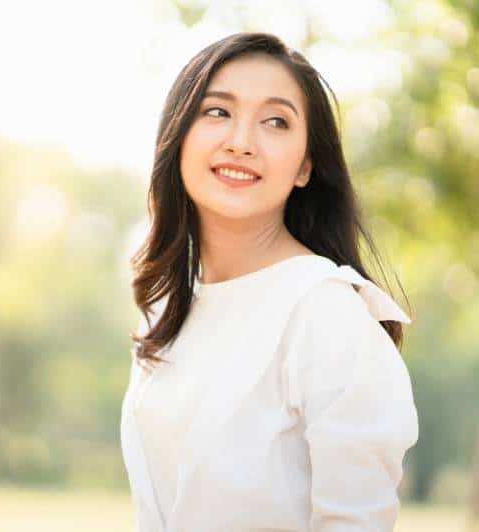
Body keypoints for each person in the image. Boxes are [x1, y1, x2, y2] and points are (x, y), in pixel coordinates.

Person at [121, 31, 418, 532]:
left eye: (275, 121)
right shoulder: (171, 307)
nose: (241, 141)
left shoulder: (326, 313)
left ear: (305, 166)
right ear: (179, 134)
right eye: (217, 112)